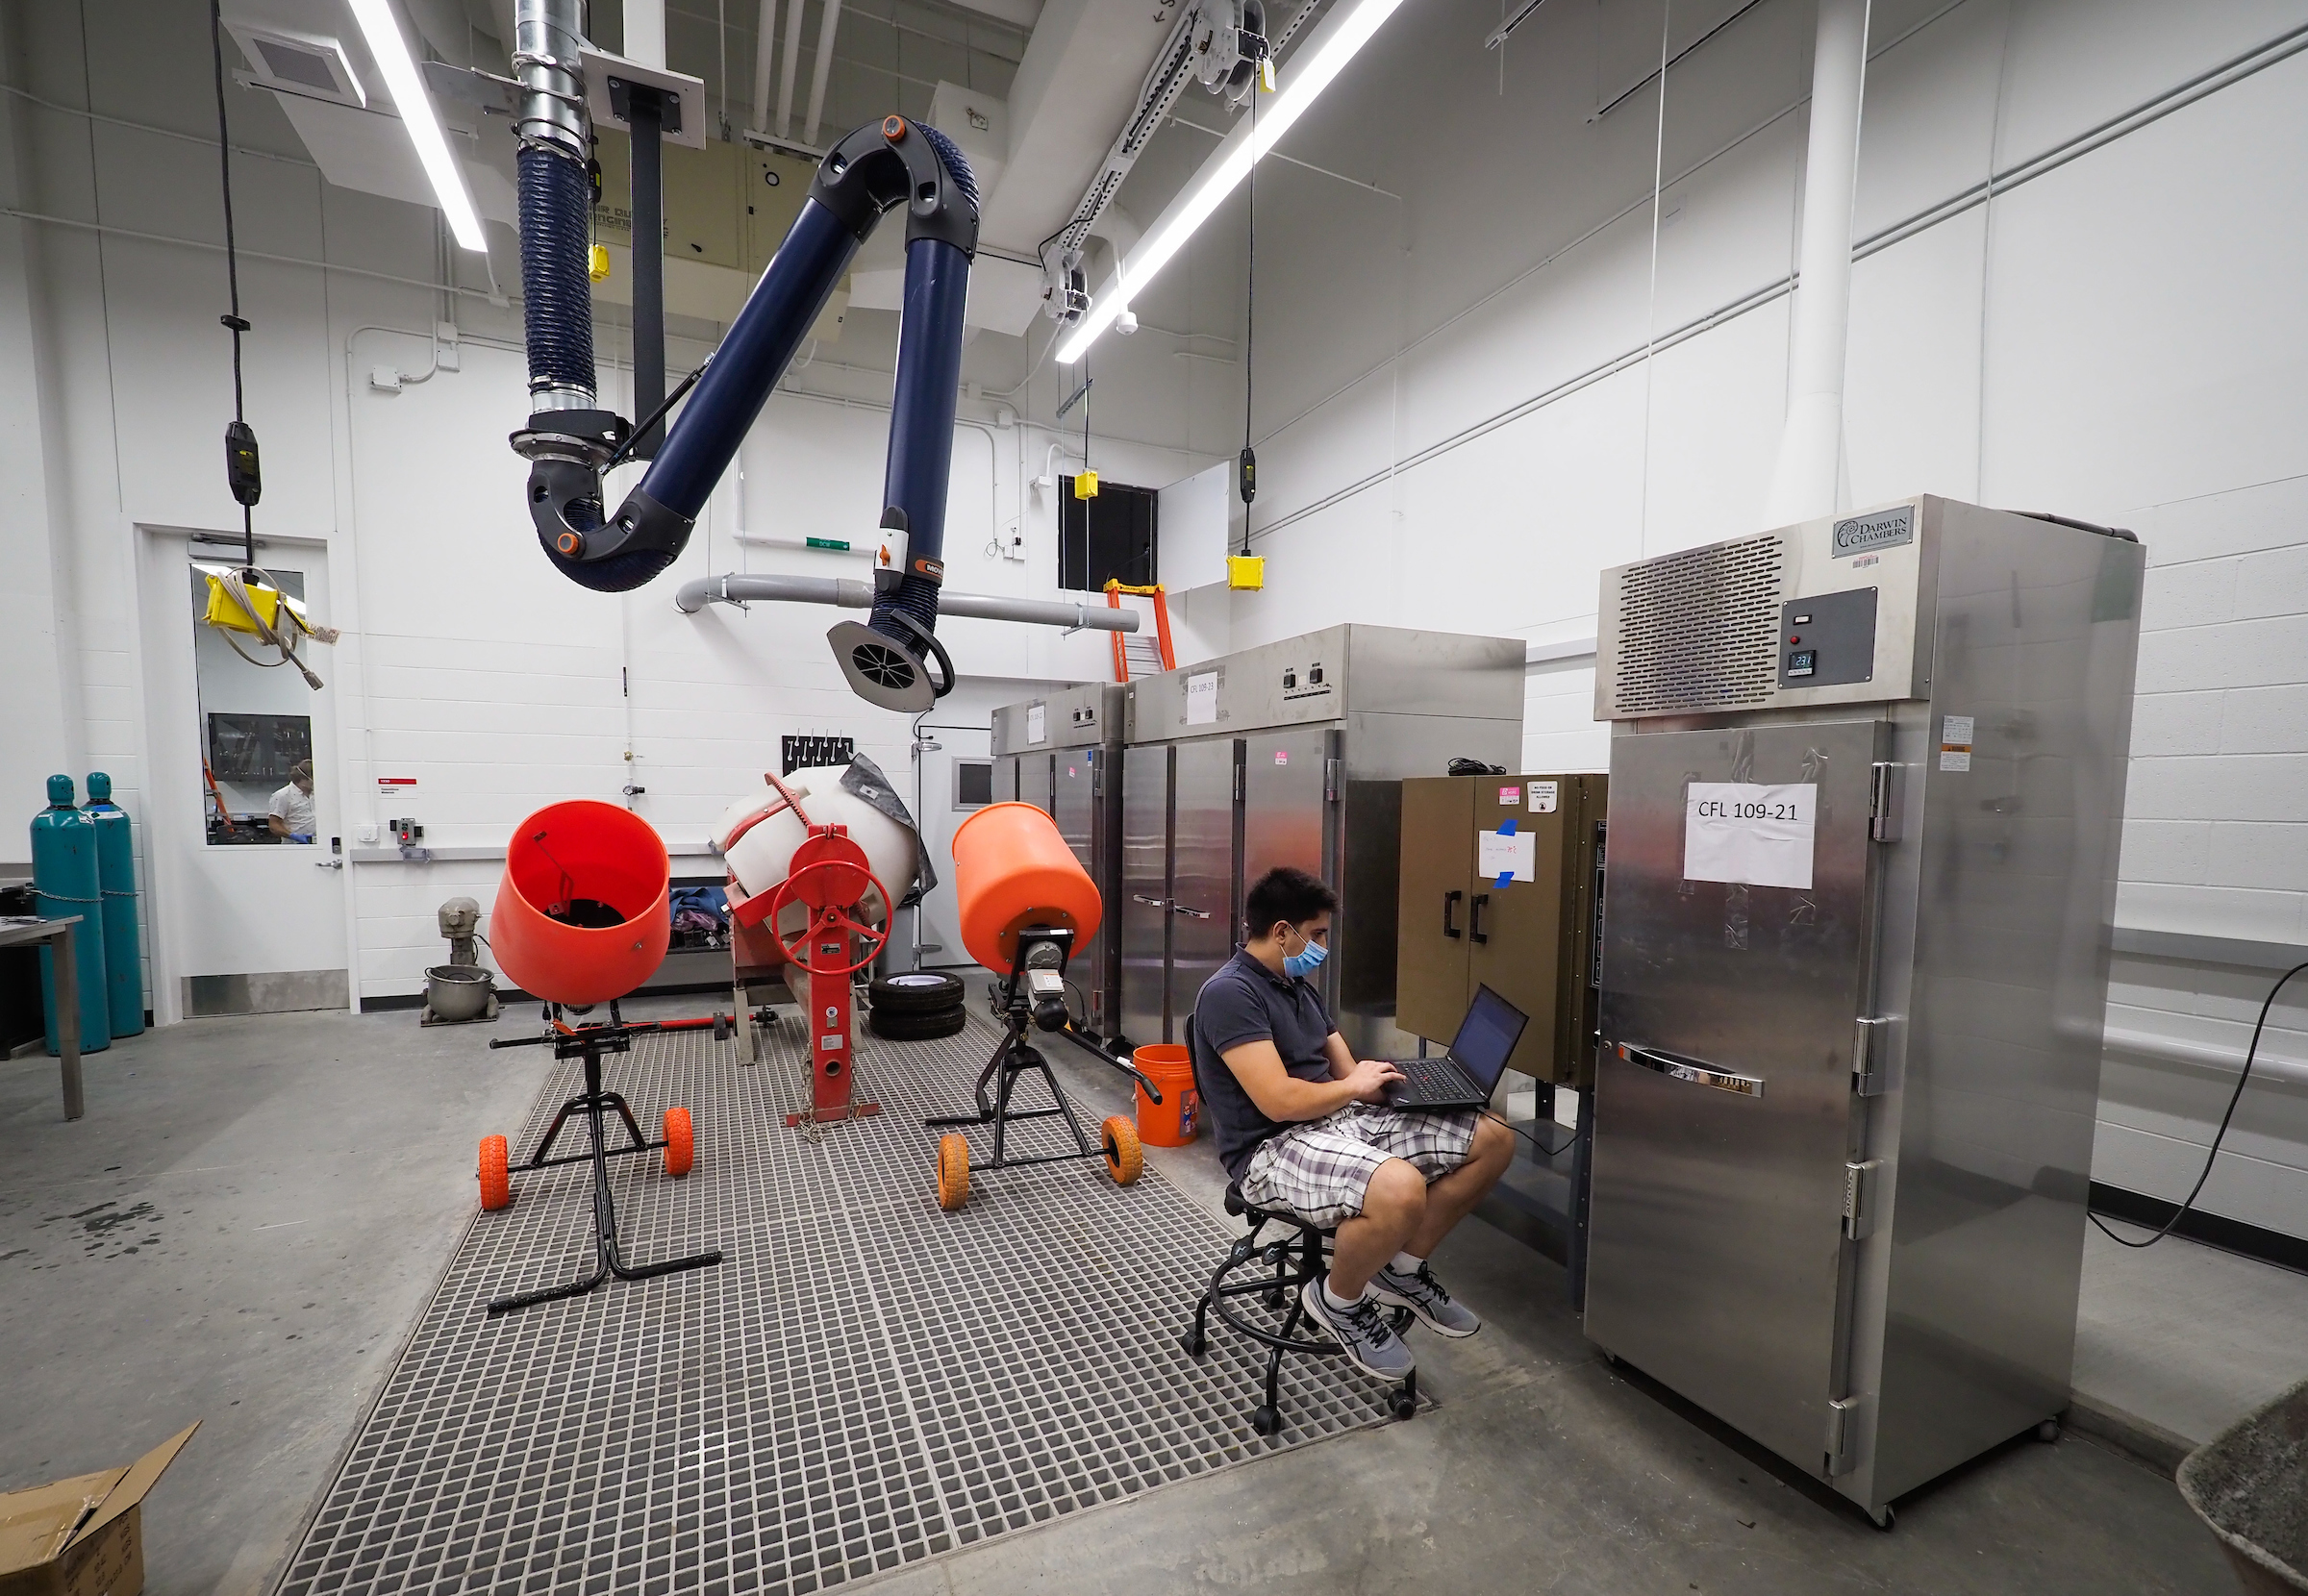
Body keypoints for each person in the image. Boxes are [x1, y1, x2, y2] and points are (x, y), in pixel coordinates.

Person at [1192, 865, 1514, 1382]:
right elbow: (1278, 1101)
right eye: (1317, 934)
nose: (1322, 946)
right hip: (1272, 1147)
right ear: (1282, 932)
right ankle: (1338, 1299)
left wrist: (1403, 1087)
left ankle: (1400, 1270)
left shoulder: (1296, 984)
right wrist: (1354, 1088)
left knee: (1494, 1138)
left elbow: (1345, 1069)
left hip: (1338, 1118)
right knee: (1400, 1190)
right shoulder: (1230, 994)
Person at [267, 759, 315, 842]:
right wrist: (293, 836)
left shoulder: (316, 794)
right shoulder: (282, 795)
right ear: (304, 778)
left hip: (318, 844)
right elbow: (274, 825)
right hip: (295, 845)